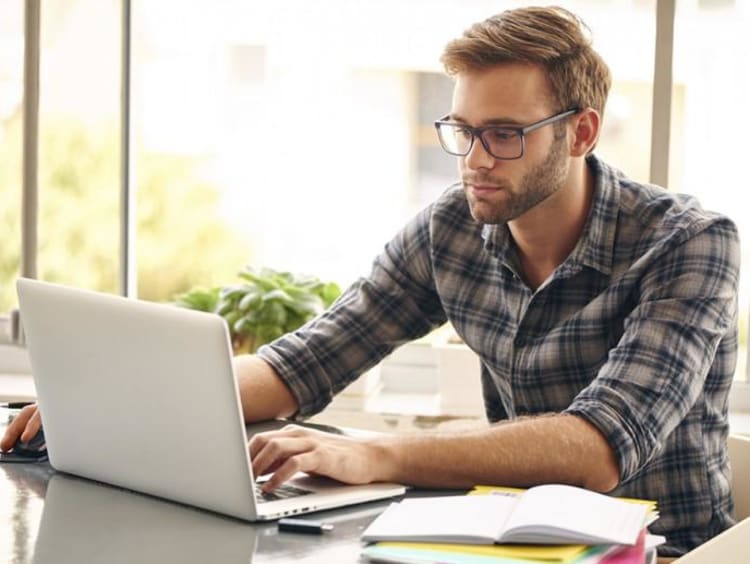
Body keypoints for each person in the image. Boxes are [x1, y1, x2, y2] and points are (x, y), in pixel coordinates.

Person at [2, 6, 739, 556]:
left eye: (505, 134)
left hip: (665, 550)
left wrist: (373, 451)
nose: (475, 159)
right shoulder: (452, 227)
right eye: (462, 129)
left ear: (579, 133)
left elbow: (597, 450)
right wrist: (109, 405)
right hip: (511, 542)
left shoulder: (689, 245)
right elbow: (306, 361)